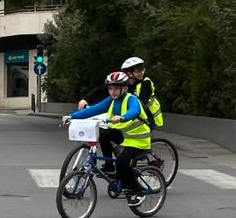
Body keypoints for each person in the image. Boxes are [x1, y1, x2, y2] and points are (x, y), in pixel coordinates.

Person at [62, 70, 149, 207]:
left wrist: (123, 117)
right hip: (123, 135)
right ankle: (109, 166)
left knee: (121, 163)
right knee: (101, 133)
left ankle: (136, 192)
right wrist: (72, 116)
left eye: (116, 88)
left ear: (125, 88)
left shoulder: (131, 99)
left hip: (138, 140)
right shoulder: (111, 100)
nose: (112, 91)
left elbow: (134, 111)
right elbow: (93, 110)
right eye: (110, 88)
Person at [122, 56, 164, 132]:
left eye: (142, 70)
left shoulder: (146, 82)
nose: (141, 73)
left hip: (147, 118)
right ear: (129, 74)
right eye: (137, 71)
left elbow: (142, 100)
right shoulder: (129, 84)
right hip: (137, 116)